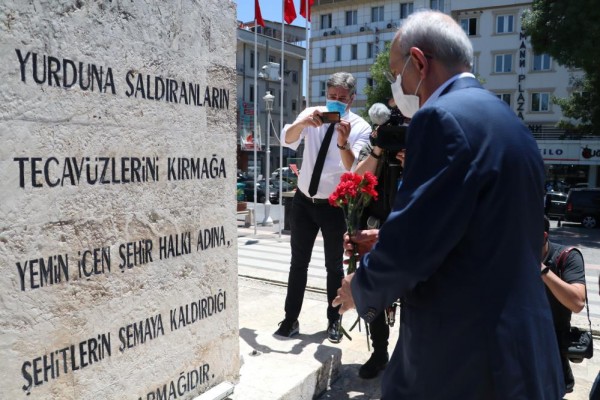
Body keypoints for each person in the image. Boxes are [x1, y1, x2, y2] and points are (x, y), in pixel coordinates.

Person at [332, 10, 565, 398]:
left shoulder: (439, 118)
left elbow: (413, 248)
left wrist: (360, 287)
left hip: (466, 360)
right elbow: (477, 225)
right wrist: (388, 234)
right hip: (523, 352)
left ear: (419, 62)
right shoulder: (510, 121)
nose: (396, 85)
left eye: (396, 72)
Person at [274, 72, 371, 343]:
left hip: (334, 206)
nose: (336, 102)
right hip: (304, 200)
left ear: (352, 98)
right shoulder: (312, 113)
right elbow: (286, 138)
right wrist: (302, 123)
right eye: (332, 97)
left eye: (342, 98)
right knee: (298, 264)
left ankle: (334, 321)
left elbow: (353, 167)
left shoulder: (359, 126)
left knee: (334, 268)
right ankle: (290, 318)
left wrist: (343, 142)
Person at [354, 102, 406, 379]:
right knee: (374, 295)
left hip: (410, 234)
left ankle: (408, 357)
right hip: (373, 229)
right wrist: (377, 148)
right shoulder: (374, 144)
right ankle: (379, 352)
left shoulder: (421, 145)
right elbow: (358, 179)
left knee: (413, 298)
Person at [541, 215, 586, 393]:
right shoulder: (510, 258)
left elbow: (578, 303)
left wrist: (541, 269)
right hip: (515, 352)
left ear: (544, 236)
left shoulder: (568, 257)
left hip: (553, 353)